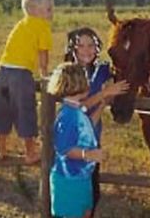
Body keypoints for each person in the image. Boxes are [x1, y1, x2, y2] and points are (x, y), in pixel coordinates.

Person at [63, 27, 129, 213]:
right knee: (71, 195)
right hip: (72, 142)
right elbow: (79, 108)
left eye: (91, 45)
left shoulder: (102, 70)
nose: (86, 50)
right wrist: (104, 95)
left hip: (92, 140)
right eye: (81, 45)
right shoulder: (67, 73)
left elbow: (124, 67)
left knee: (91, 195)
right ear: (72, 49)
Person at [0, 0, 54, 165]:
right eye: (48, 9)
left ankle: (1, 147)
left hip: (3, 72)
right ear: (35, 11)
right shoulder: (42, 26)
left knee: (2, 109)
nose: (51, 13)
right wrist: (44, 73)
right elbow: (43, 53)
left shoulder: (21, 24)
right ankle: (30, 152)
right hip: (21, 75)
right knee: (25, 111)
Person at [48, 62, 105, 218]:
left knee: (85, 211)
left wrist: (101, 107)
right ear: (79, 83)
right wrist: (88, 155)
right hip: (68, 180)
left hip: (81, 177)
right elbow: (64, 149)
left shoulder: (76, 110)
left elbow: (86, 128)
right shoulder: (68, 116)